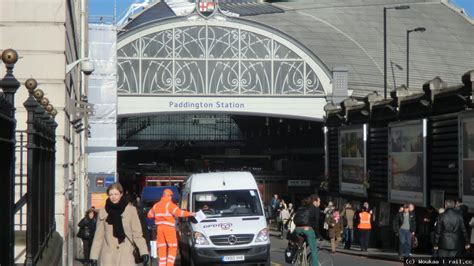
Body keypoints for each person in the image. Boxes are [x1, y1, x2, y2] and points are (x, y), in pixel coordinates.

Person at [90, 183, 149, 266]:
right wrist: (93, 257)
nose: (113, 197)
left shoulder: (131, 210)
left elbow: (137, 234)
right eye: (111, 194)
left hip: (126, 256)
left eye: (116, 194)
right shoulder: (103, 212)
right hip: (108, 257)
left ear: (121, 194)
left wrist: (144, 252)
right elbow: (98, 237)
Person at [148, 188, 195, 266]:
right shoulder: (170, 205)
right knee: (172, 246)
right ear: (169, 196)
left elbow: (149, 215)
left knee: (161, 247)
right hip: (169, 228)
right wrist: (191, 214)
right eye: (171, 196)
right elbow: (180, 213)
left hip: (159, 228)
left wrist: (158, 218)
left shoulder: (156, 205)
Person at [293, 194, 321, 266]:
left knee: (301, 246)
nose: (319, 203)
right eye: (319, 201)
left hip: (297, 229)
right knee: (314, 250)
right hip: (308, 230)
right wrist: (318, 235)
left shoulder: (302, 207)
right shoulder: (315, 208)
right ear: (315, 201)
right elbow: (317, 223)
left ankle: (298, 259)